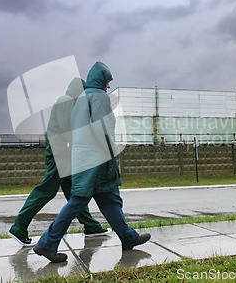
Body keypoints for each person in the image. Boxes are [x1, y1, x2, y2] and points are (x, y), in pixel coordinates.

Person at [33, 62, 151, 262]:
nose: (108, 87)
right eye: (108, 82)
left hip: (83, 157)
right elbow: (102, 128)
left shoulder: (81, 97)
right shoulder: (99, 96)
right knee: (78, 202)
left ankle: (128, 237)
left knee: (109, 199)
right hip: (96, 158)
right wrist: (111, 149)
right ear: (103, 80)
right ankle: (47, 243)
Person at [8, 77, 109, 247]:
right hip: (60, 154)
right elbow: (67, 129)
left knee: (76, 193)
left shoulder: (71, 102)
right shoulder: (66, 101)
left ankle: (91, 226)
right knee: (46, 191)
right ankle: (19, 227)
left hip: (64, 154)